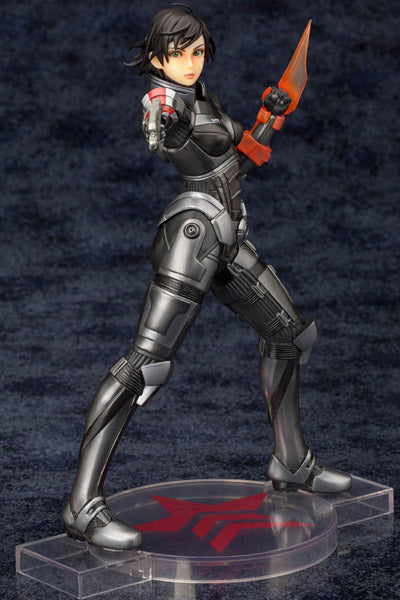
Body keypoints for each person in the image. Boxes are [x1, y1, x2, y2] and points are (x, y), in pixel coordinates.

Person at [62, 5, 351, 551]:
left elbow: (242, 160)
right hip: (193, 236)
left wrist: (270, 115)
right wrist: (160, 113)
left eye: (196, 51)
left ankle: (291, 462)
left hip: (227, 236)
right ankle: (82, 505)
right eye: (177, 53)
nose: (189, 62)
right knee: (146, 365)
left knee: (289, 336)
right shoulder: (168, 101)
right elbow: (159, 120)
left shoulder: (205, 101)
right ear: (156, 58)